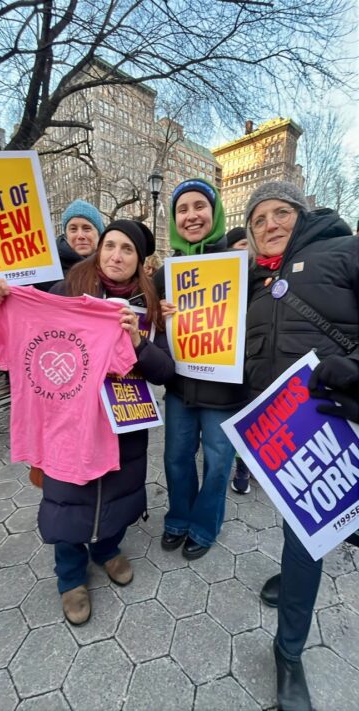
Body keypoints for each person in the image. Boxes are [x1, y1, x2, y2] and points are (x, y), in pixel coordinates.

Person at [0, 219, 174, 626]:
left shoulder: (150, 305)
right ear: (99, 250)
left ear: (141, 260)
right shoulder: (67, 290)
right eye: (110, 246)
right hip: (68, 420)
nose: (116, 256)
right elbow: (18, 328)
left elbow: (165, 371)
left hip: (124, 421)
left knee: (119, 489)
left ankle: (106, 549)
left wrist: (138, 342)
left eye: (127, 249)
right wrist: (0, 300)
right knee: (68, 495)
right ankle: (70, 576)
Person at [244, 180, 358, 711]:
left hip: (338, 424)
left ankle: (288, 652)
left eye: (281, 212)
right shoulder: (253, 284)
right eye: (259, 218)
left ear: (302, 214)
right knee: (300, 530)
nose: (270, 224)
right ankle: (293, 580)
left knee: (312, 535)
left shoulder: (345, 251)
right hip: (277, 437)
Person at [154, 178, 250, 560]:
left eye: (199, 206)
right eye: (182, 209)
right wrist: (160, 317)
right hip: (180, 388)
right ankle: (178, 518)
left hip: (224, 393)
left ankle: (204, 527)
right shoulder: (166, 273)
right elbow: (147, 328)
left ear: (215, 212)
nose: (191, 216)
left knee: (217, 464)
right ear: (174, 219)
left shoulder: (241, 266)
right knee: (176, 458)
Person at [226, 226, 252, 494]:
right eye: (239, 246)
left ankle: (245, 466)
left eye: (248, 244)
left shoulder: (264, 280)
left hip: (255, 367)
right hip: (229, 370)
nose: (245, 251)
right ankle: (242, 466)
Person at [37, 198, 105, 291]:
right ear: (66, 235)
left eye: (87, 228)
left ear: (99, 234)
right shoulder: (47, 271)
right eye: (73, 229)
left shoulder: (111, 267)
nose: (80, 236)